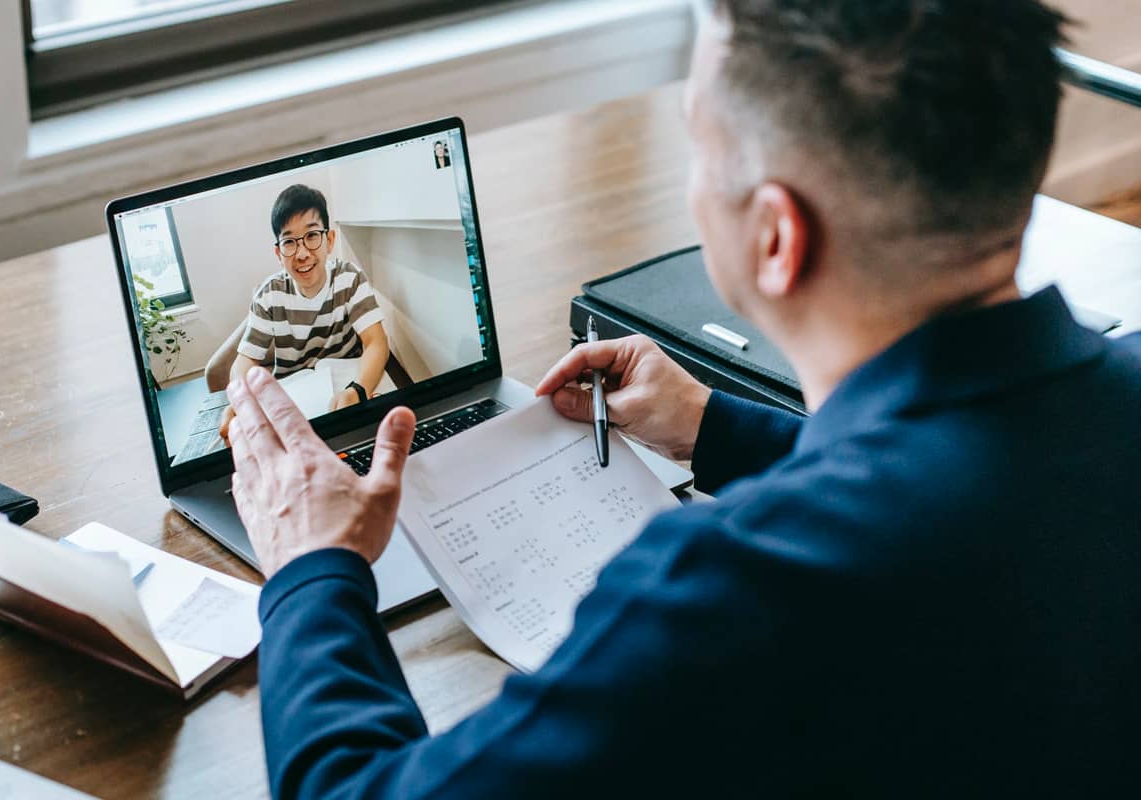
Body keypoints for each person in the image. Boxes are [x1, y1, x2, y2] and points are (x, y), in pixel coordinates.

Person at [225, 0, 1141, 796]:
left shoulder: (732, 596)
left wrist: (312, 568)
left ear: (776, 237)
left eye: (698, 143)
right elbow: (975, 471)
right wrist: (715, 429)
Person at [220, 184, 388, 439]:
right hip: (294, 408)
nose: (302, 253)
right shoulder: (269, 295)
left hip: (347, 394)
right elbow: (245, 360)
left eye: (312, 236)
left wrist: (358, 390)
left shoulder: (349, 277)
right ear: (278, 252)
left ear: (329, 240)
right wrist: (241, 399)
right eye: (289, 242)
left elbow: (376, 342)